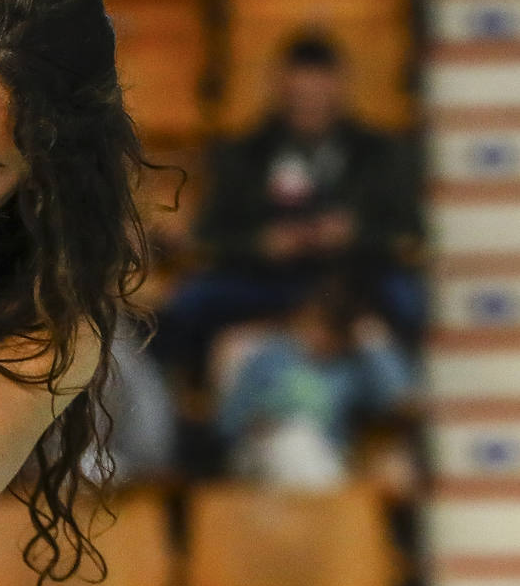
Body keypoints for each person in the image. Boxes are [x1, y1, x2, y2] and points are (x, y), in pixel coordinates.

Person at [156, 30, 425, 381]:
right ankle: (189, 412)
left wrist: (352, 234)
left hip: (355, 280)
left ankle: (407, 395)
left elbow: (407, 230)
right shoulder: (241, 155)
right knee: (190, 302)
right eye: (300, 96)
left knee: (411, 298)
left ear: (338, 89)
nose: (309, 106)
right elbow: (210, 236)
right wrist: (262, 243)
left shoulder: (380, 154)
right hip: (267, 280)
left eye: (318, 96)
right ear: (281, 90)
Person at [215, 278, 416, 488]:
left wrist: (372, 338)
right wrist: (257, 424)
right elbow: (226, 422)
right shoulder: (270, 357)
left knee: (302, 444)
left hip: (324, 458)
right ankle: (329, 508)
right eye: (319, 323)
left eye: (334, 330)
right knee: (293, 440)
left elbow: (400, 400)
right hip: (258, 457)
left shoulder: (348, 370)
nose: (322, 336)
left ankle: (324, 508)